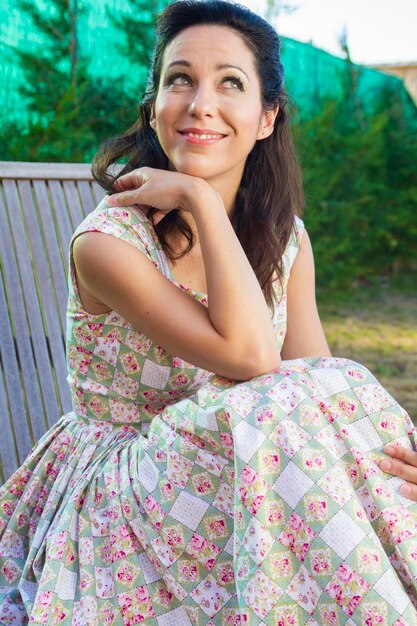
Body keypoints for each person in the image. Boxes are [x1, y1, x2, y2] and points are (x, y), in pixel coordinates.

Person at [1, 1, 417, 624]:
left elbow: (316, 382)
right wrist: (198, 196)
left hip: (246, 485)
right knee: (279, 398)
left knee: (334, 387)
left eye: (230, 82)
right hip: (128, 497)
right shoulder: (108, 244)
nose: (200, 103)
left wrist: (383, 458)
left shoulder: (287, 240)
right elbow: (254, 361)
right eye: (179, 79)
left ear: (267, 118)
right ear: (153, 107)